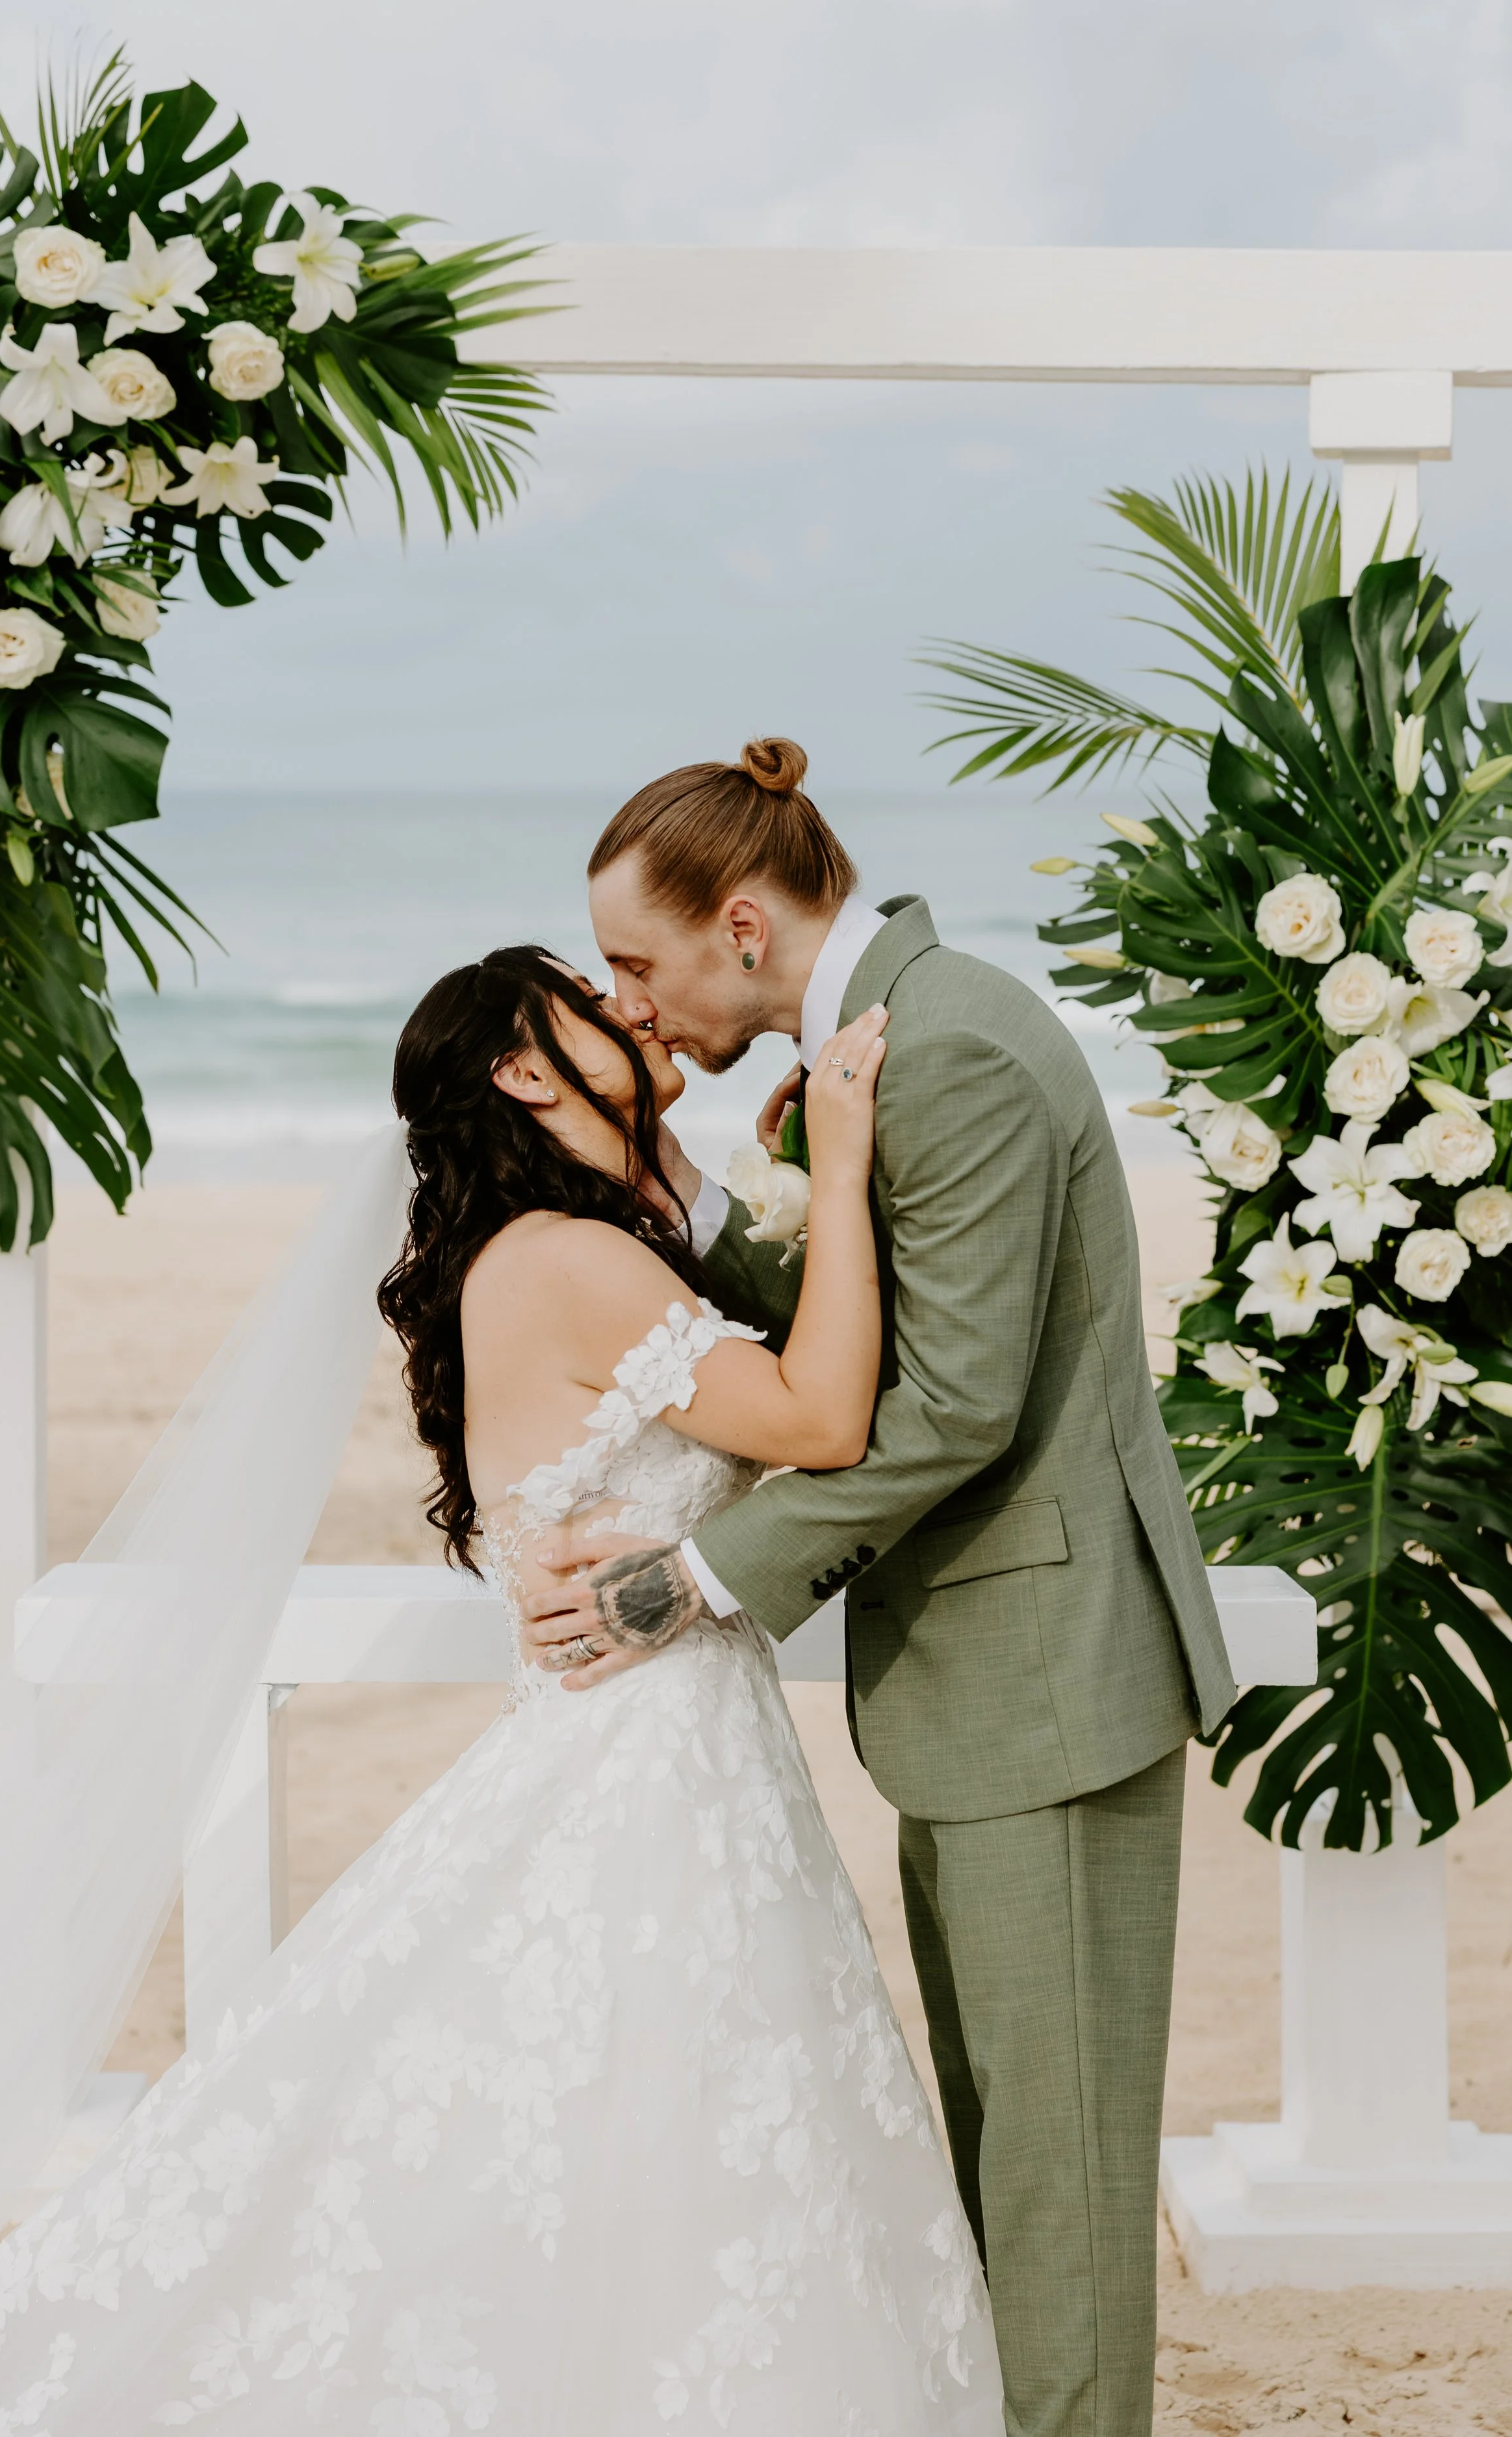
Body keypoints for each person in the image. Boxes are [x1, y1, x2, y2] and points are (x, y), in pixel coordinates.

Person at [0, 944, 1001, 2436]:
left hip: (662, 1740)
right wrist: (850, 1170)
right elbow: (816, 1414)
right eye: (588, 1003)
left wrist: (727, 1169)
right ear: (525, 1074)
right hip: (645, 1764)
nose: (629, 1010)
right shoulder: (567, 1259)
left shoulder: (575, 1245)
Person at [523, 740, 1239, 2437]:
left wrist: (688, 1575)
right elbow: (854, 1313)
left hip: (1051, 1681)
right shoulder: (877, 1055)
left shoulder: (958, 1047)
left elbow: (956, 1399)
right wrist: (692, 1186)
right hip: (988, 1689)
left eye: (638, 961)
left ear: (745, 926)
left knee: (1053, 2191)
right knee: (1003, 2146)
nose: (628, 1002)